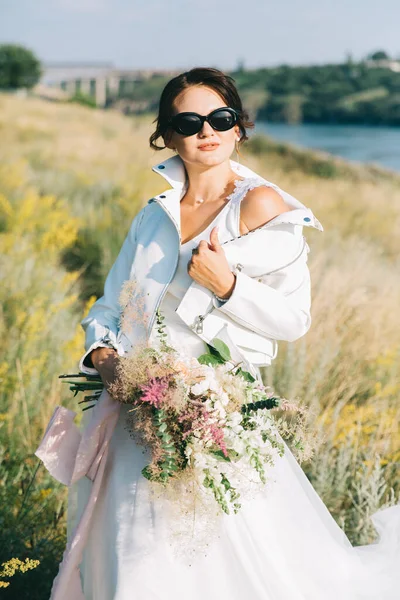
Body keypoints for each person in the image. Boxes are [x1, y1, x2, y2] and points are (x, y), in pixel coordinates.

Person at [36, 67, 400, 600]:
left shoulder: (260, 205)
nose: (206, 130)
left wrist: (228, 285)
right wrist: (105, 359)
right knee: (131, 553)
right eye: (188, 121)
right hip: (134, 411)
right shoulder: (153, 214)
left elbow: (294, 319)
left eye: (219, 117)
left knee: (213, 558)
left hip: (215, 414)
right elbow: (110, 305)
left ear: (238, 127)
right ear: (168, 134)